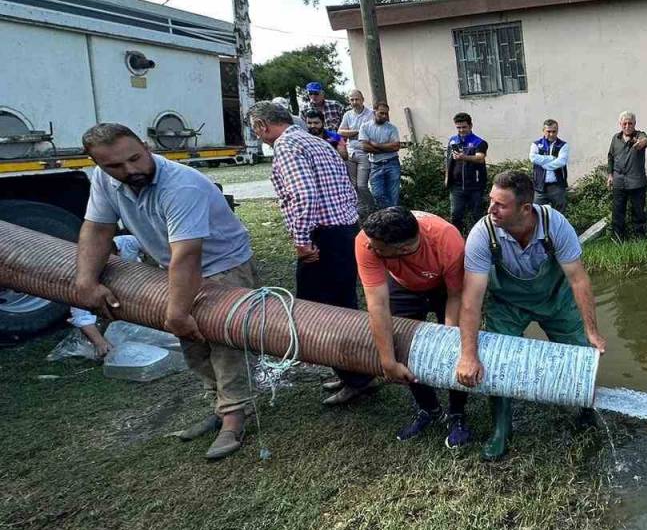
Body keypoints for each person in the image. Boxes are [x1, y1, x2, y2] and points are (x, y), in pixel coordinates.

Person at [74, 123, 258, 460]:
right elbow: (98, 228)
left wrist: (176, 311)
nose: (130, 170)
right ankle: (223, 406)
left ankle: (234, 417)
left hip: (222, 265)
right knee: (192, 342)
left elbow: (188, 253)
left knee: (226, 340)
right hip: (170, 263)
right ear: (98, 164)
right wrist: (85, 280)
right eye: (115, 166)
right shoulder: (105, 180)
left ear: (145, 146)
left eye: (135, 158)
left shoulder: (181, 185)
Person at [455, 171, 607, 461]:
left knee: (580, 352)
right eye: (491, 201)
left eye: (500, 205)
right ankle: (502, 426)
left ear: (525, 208)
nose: (491, 209)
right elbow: (472, 300)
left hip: (555, 298)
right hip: (508, 303)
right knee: (495, 357)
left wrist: (592, 331)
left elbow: (578, 280)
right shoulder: (482, 234)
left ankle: (586, 411)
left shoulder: (555, 224)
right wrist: (468, 354)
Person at [248, 101, 372, 404]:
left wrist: (302, 241)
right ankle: (354, 372)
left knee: (320, 312)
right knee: (343, 304)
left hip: (322, 238)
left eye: (254, 129)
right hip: (343, 231)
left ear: (262, 126)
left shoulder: (288, 147)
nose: (257, 135)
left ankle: (355, 378)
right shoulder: (316, 141)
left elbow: (303, 195)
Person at [354, 207, 472, 447]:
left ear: (403, 249)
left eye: (377, 249)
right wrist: (387, 360)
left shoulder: (446, 240)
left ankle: (457, 413)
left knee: (456, 347)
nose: (369, 248)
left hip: (444, 288)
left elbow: (456, 296)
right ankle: (429, 408)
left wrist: (446, 339)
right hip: (403, 285)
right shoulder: (366, 240)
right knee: (400, 346)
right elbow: (377, 305)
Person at [67, 234, 143, 358]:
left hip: (140, 283)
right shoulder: (84, 273)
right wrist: (100, 342)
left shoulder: (128, 242)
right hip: (116, 299)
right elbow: (80, 314)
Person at [607, 111, 647, 240]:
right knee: (618, 213)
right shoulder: (615, 138)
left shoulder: (639, 135)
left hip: (636, 182)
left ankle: (640, 239)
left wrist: (641, 143)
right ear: (620, 124)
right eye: (624, 123)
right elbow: (610, 157)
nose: (627, 126)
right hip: (619, 182)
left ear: (634, 124)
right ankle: (618, 239)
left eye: (630, 123)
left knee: (638, 212)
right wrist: (610, 175)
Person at [446, 112, 488, 232]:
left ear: (470, 126)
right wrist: (447, 177)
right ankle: (456, 239)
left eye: (464, 127)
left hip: (474, 185)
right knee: (455, 215)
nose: (461, 130)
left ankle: (481, 239)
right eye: (458, 127)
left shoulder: (479, 142)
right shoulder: (453, 141)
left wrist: (463, 157)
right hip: (456, 186)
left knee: (477, 215)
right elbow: (448, 160)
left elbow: (480, 158)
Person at [360, 101, 402, 209]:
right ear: (374, 112)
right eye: (381, 113)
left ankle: (393, 216)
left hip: (392, 162)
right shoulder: (365, 127)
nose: (384, 116)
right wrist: (386, 148)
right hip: (375, 165)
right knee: (377, 194)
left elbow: (396, 147)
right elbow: (365, 147)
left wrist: (375, 145)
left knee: (393, 195)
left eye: (386, 114)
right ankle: (388, 214)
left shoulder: (392, 128)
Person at [337, 89, 374, 203]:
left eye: (357, 99)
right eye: (351, 100)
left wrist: (350, 132)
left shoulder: (371, 114)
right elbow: (340, 132)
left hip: (364, 153)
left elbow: (371, 132)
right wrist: (358, 131)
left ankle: (371, 206)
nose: (354, 102)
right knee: (353, 185)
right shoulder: (348, 114)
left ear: (362, 100)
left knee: (362, 185)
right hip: (350, 153)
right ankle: (361, 208)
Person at [529, 119, 569, 211]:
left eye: (554, 131)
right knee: (536, 212)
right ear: (543, 131)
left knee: (559, 213)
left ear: (557, 131)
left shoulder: (563, 145)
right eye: (548, 131)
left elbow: (561, 161)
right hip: (539, 186)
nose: (551, 134)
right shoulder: (536, 144)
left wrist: (544, 165)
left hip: (557, 186)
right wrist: (551, 158)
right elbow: (533, 158)